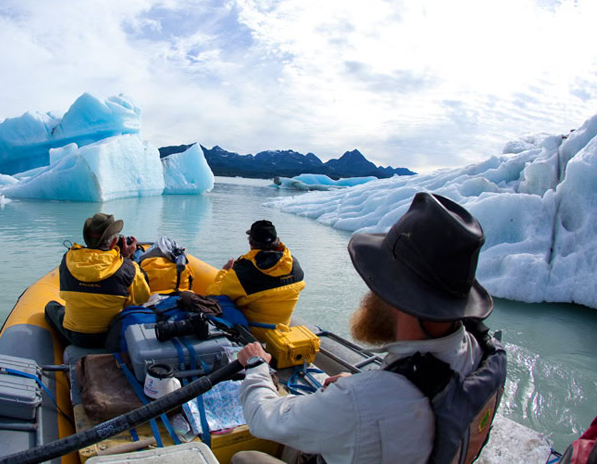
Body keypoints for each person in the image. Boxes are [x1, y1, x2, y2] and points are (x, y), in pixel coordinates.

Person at [234, 193, 507, 464]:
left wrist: (257, 365)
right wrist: (360, 387)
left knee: (245, 458)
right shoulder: (479, 352)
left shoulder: (360, 401)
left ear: (398, 294)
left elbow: (264, 418)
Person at [44, 213, 150, 349]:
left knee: (50, 307)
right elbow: (142, 299)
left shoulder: (68, 259)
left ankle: (60, 347)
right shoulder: (128, 269)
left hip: (75, 336)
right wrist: (127, 258)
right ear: (113, 242)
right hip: (111, 336)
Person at [208, 220, 305, 340]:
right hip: (282, 327)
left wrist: (224, 271)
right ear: (277, 241)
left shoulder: (245, 272)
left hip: (255, 332)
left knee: (218, 301)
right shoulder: (294, 264)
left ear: (251, 243)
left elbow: (214, 293)